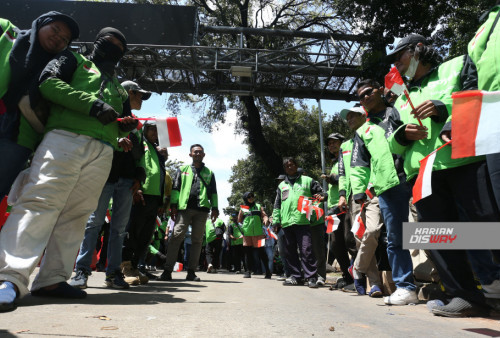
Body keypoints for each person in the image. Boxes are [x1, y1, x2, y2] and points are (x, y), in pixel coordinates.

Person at [0, 27, 137, 312]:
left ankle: (52, 279)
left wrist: (126, 129)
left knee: (77, 214)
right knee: (40, 202)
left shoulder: (118, 87)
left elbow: (125, 116)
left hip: (103, 151)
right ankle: (9, 278)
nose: (113, 50)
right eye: (109, 44)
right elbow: (47, 83)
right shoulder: (72, 59)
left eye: (119, 49)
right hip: (64, 138)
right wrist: (92, 105)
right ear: (96, 43)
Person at [387, 34, 499, 316]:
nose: (397, 66)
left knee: (486, 228)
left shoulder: (459, 65)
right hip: (423, 173)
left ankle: (492, 284)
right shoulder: (402, 96)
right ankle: (465, 296)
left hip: (464, 161)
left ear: (418, 50)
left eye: (399, 57)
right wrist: (403, 134)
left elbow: (477, 95)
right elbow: (392, 142)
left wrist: (443, 109)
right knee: (436, 236)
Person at [70, 80, 151, 290]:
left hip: (127, 181)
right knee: (94, 223)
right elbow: (98, 137)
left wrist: (139, 176)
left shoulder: (137, 125)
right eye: (139, 94)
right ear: (128, 93)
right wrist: (117, 140)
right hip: (104, 176)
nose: (141, 99)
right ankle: (82, 270)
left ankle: (113, 273)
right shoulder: (108, 113)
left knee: (119, 230)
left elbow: (141, 155)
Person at [0, 12, 79, 198]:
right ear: (42, 23)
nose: (58, 38)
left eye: (64, 39)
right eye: (55, 29)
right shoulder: (7, 33)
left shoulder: (61, 68)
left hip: (19, 137)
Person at [160, 144, 219, 282]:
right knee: (176, 237)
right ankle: (167, 270)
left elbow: (213, 192)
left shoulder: (209, 173)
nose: (198, 154)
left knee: (197, 241)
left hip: (202, 210)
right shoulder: (182, 169)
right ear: (190, 154)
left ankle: (191, 271)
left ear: (204, 155)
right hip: (184, 209)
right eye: (195, 152)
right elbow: (175, 188)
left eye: (200, 152)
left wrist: (215, 207)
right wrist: (173, 205)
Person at [121, 121, 166, 285]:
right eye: (151, 129)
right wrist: (137, 186)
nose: (155, 132)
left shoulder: (157, 150)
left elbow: (161, 177)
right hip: (141, 193)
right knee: (132, 233)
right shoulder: (141, 144)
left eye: (157, 130)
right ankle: (125, 268)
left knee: (145, 236)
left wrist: (161, 201)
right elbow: (136, 163)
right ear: (145, 130)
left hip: (154, 199)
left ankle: (135, 267)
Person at [272, 157, 325, 288]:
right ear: (285, 169)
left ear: (296, 166)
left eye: (292, 165)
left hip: (303, 222)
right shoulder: (281, 185)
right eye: (287, 166)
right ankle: (295, 276)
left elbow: (320, 194)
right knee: (290, 251)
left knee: (306, 250)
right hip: (287, 223)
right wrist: (276, 221)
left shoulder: (308, 181)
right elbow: (277, 205)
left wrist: (319, 204)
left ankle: (311, 277)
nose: (290, 167)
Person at [238, 192, 272, 279]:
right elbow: (239, 219)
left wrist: (266, 220)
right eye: (248, 197)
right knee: (248, 253)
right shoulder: (243, 208)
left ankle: (268, 272)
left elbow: (264, 216)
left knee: (262, 253)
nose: (251, 198)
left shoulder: (258, 206)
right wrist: (245, 227)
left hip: (259, 233)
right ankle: (248, 272)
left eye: (252, 196)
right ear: (245, 198)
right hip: (247, 234)